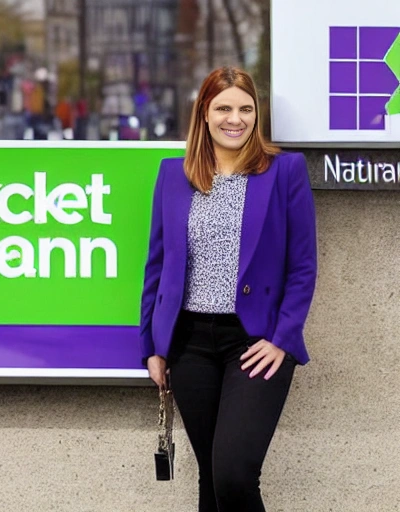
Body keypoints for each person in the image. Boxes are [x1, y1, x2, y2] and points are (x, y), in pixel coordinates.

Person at [139, 66, 317, 512]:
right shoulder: (174, 176)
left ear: (257, 115)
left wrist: (282, 339)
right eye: (222, 108)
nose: (234, 119)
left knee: (234, 474)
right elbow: (157, 266)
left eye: (245, 109)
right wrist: (152, 346)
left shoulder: (285, 172)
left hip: (254, 341)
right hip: (189, 345)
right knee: (210, 481)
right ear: (204, 114)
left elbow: (303, 266)